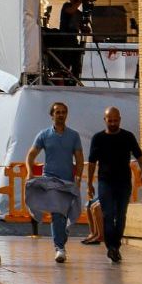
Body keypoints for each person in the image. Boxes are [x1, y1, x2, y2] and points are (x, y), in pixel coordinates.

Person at [86, 106, 142, 264]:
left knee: (121, 215)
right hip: (105, 182)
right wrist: (89, 183)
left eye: (115, 120)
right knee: (108, 215)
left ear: (120, 120)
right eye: (110, 120)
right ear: (105, 120)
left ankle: (116, 245)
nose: (113, 123)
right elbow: (92, 163)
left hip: (123, 183)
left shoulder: (128, 137)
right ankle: (111, 248)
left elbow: (139, 156)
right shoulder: (98, 138)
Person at [24, 101, 84, 263]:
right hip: (50, 180)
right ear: (52, 115)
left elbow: (79, 159)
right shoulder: (44, 135)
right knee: (57, 213)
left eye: (63, 112)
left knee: (63, 215)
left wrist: (78, 177)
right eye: (57, 112)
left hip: (67, 182)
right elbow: (31, 155)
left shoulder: (74, 136)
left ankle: (61, 240)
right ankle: (59, 248)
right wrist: (30, 173)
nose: (61, 115)